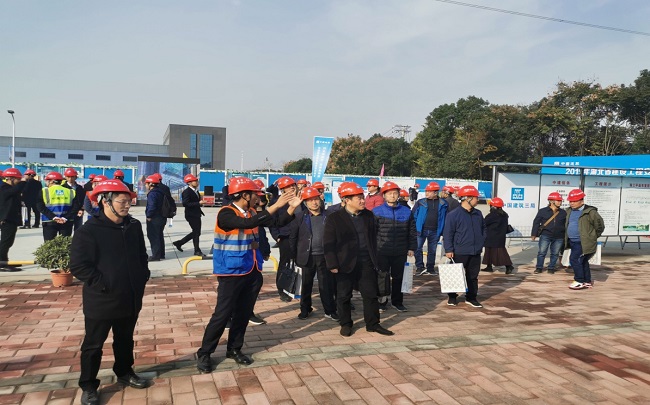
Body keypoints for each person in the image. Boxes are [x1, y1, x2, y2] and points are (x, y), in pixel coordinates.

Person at [196, 177, 301, 373]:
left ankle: (234, 349)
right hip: (231, 272)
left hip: (251, 270)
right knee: (222, 314)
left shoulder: (252, 212)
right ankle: (205, 353)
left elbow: (277, 221)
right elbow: (247, 223)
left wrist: (291, 207)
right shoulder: (226, 213)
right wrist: (277, 204)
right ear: (244, 195)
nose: (258, 198)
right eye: (255, 195)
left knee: (243, 313)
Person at [70, 180, 151, 405]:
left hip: (130, 296)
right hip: (102, 299)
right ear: (105, 201)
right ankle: (88, 385)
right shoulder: (89, 231)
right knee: (93, 345)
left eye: (129, 201)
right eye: (122, 201)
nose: (127, 205)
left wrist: (142, 275)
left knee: (125, 339)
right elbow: (79, 266)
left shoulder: (133, 225)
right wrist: (103, 284)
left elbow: (141, 254)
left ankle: (124, 372)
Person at [324, 182, 394, 337]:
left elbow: (373, 238)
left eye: (363, 197)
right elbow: (328, 242)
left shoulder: (368, 216)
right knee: (344, 295)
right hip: (344, 263)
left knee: (370, 294)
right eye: (359, 198)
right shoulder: (334, 218)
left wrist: (375, 258)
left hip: (366, 262)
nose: (363, 201)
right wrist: (332, 264)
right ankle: (346, 324)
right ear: (347, 200)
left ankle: (373, 324)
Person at [289, 187, 338, 321]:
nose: (314, 203)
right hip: (307, 257)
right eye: (310, 200)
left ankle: (330, 310)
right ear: (305, 202)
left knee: (326, 285)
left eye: (316, 199)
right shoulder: (299, 217)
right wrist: (294, 255)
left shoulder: (330, 216)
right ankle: (305, 309)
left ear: (320, 199)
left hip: (325, 256)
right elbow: (293, 237)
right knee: (306, 285)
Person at [372, 181, 416, 312]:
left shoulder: (406, 211)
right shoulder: (376, 212)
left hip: (400, 250)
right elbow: (372, 232)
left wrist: (412, 247)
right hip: (382, 251)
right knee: (382, 277)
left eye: (395, 193)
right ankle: (382, 301)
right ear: (384, 195)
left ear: (398, 195)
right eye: (389, 193)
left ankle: (397, 302)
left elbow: (412, 231)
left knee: (399, 277)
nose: (392, 195)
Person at [443, 185, 486, 308]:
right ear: (468, 198)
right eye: (476, 198)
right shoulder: (453, 215)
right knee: (455, 275)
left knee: (473, 276)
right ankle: (452, 297)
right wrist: (449, 249)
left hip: (475, 251)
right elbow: (448, 233)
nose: (477, 200)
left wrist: (481, 241)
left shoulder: (478, 214)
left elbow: (484, 229)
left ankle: (471, 297)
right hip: (459, 250)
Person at [564, 189, 605, 290]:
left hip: (583, 242)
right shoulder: (569, 211)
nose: (571, 203)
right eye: (570, 201)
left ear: (582, 201)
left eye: (574, 201)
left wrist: (591, 237)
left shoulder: (590, 212)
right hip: (572, 241)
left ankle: (579, 280)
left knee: (574, 260)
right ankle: (587, 281)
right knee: (582, 261)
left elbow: (600, 226)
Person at [269, 176, 301, 302]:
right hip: (285, 237)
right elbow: (272, 222)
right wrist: (277, 236)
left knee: (299, 262)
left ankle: (296, 287)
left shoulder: (301, 200)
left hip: (300, 236)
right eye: (288, 186)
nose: (292, 188)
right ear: (282, 189)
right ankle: (282, 289)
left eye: (293, 185)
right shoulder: (276, 202)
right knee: (285, 263)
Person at [412, 182, 448, 276]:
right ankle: (419, 267)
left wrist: (443, 231)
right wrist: (414, 227)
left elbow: (446, 218)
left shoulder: (444, 204)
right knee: (417, 248)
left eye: (429, 191)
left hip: (435, 231)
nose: (426, 193)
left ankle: (430, 268)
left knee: (432, 250)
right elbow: (413, 215)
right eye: (426, 191)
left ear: (435, 192)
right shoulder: (421, 202)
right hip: (421, 230)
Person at [36, 171, 81, 241]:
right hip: (66, 221)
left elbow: (40, 207)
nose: (46, 183)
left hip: (49, 221)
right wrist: (65, 218)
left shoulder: (44, 191)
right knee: (65, 244)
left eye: (47, 181)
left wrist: (54, 217)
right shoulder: (71, 191)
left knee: (49, 244)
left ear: (51, 181)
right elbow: (75, 207)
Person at [531, 192, 567, 274]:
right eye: (558, 200)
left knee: (555, 253)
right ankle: (539, 267)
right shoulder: (542, 211)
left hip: (559, 236)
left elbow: (566, 224)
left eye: (560, 201)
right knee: (542, 252)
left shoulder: (563, 212)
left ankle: (551, 267)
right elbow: (536, 222)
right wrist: (534, 234)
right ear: (551, 201)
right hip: (545, 235)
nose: (560, 202)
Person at [0, 168, 28, 272]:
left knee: (8, 242)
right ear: (11, 178)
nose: (19, 181)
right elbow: (15, 190)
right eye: (18, 179)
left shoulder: (11, 188)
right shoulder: (4, 188)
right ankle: (2, 263)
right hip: (7, 219)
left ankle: (5, 260)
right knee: (5, 242)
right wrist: (23, 181)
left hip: (11, 218)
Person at [173, 174, 205, 256]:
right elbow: (185, 203)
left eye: (197, 181)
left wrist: (200, 204)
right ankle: (197, 250)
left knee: (196, 232)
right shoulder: (187, 192)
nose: (197, 182)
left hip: (197, 214)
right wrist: (198, 203)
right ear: (189, 182)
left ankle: (180, 243)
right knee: (196, 232)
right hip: (191, 215)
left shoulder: (196, 191)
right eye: (195, 181)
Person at [481, 197, 514, 274]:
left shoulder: (492, 215)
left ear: (493, 206)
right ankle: (489, 266)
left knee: (500, 253)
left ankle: (509, 266)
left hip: (492, 236)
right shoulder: (504, 215)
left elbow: (484, 223)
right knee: (490, 252)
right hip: (500, 237)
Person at [144, 175, 166, 261]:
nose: (146, 185)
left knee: (153, 236)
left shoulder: (152, 194)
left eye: (146, 184)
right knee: (160, 235)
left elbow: (152, 206)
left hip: (154, 218)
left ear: (150, 184)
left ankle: (156, 256)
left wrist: (149, 216)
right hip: (162, 217)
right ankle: (161, 254)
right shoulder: (161, 191)